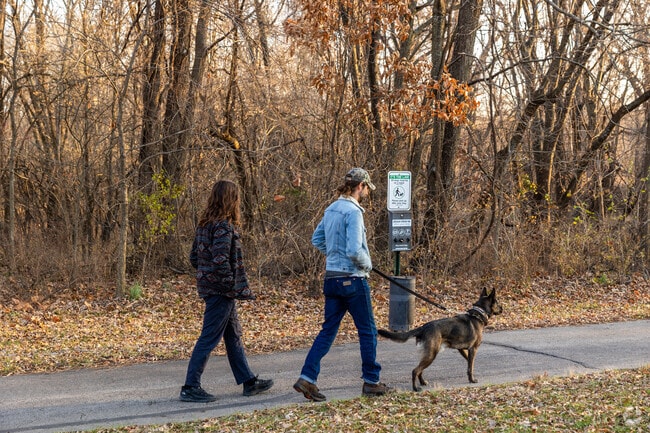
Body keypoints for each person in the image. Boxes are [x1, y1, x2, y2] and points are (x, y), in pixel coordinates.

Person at [293, 168, 393, 401]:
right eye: (367, 188)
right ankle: (371, 382)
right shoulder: (353, 212)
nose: (367, 192)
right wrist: (366, 265)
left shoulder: (331, 209)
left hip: (332, 279)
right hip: (353, 280)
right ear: (360, 187)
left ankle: (307, 377)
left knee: (327, 331)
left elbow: (317, 239)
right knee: (367, 331)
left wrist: (334, 255)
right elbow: (354, 250)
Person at [180, 180, 273, 403]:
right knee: (208, 338)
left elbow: (194, 258)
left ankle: (248, 382)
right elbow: (221, 260)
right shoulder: (222, 226)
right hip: (221, 291)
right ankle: (190, 386)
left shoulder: (204, 224)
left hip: (214, 288)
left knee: (233, 336)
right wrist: (229, 284)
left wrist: (207, 273)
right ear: (230, 199)